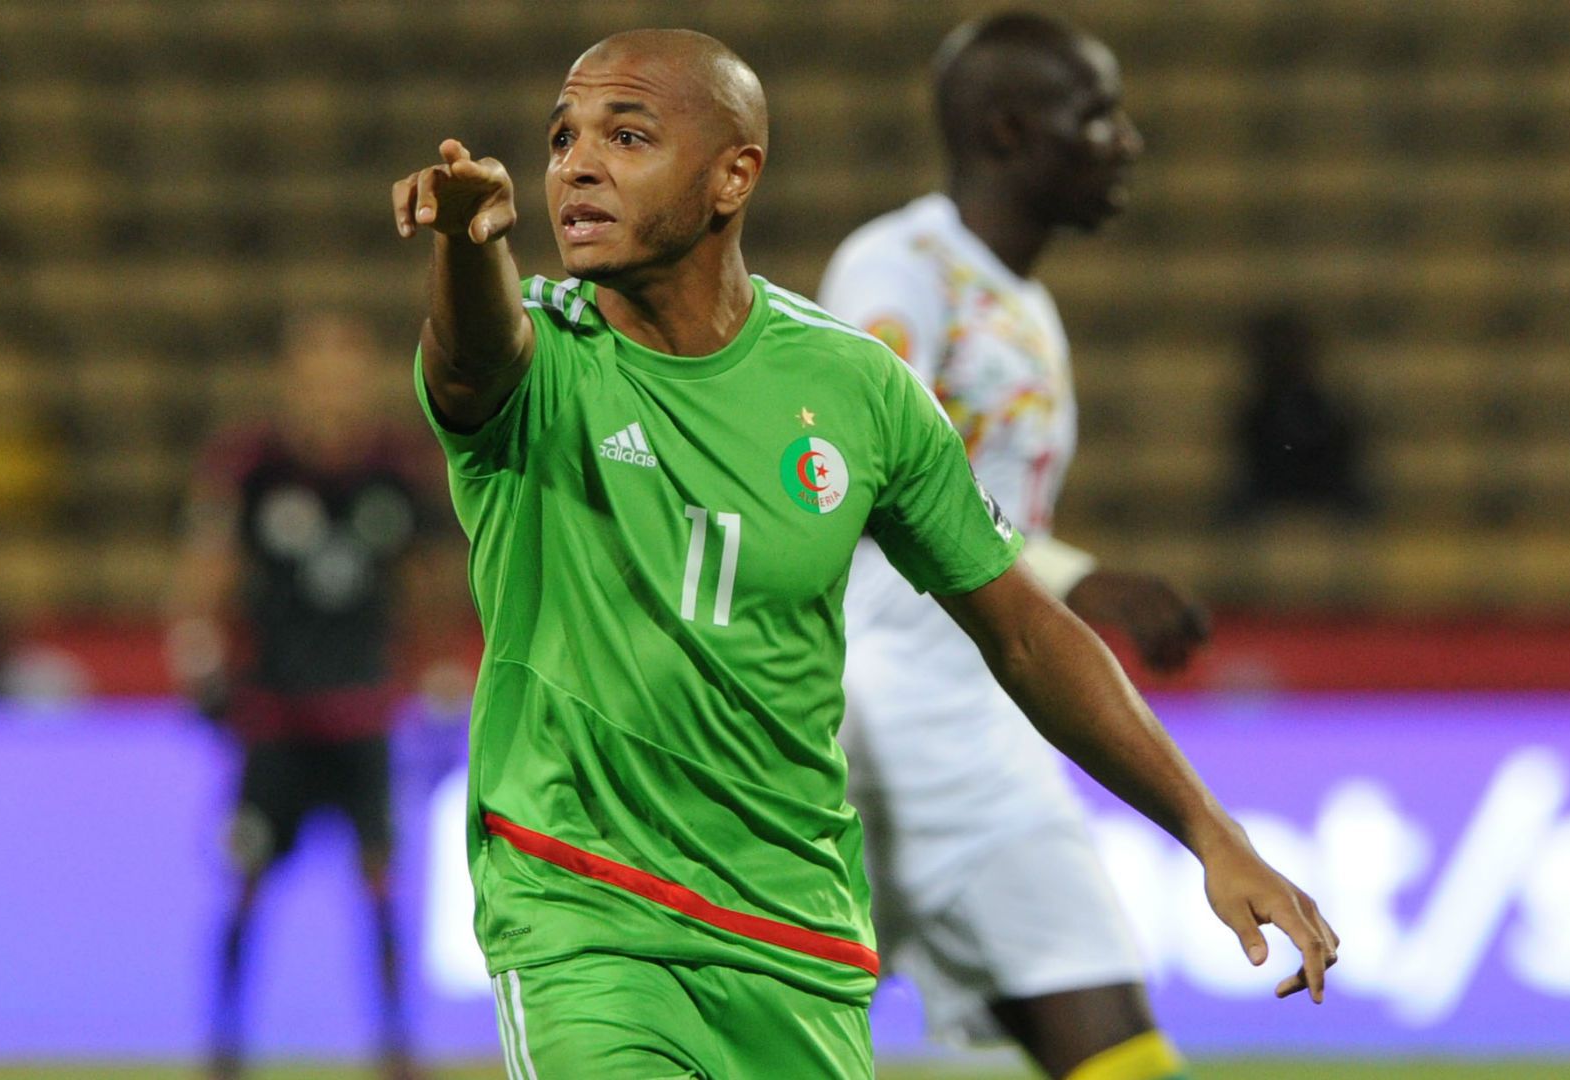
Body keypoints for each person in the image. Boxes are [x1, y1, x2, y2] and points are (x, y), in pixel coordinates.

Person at [392, 28, 1335, 1078]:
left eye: (627, 135)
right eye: (563, 136)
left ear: (732, 175)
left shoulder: (858, 389)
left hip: (797, 939)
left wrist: (1209, 830)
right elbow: (471, 360)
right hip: (586, 919)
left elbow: (1022, 630)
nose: (576, 162)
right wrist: (469, 246)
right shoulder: (543, 357)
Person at [820, 12, 1215, 1079]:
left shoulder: (1024, 303)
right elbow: (869, 484)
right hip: (860, 722)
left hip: (982, 725)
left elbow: (987, 514)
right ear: (1006, 129)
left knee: (1117, 1045)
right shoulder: (898, 269)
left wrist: (1069, 577)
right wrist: (1080, 577)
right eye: (1094, 114)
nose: (1124, 139)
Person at [167, 313, 433, 1080]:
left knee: (381, 883)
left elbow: (422, 582)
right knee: (246, 882)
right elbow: (208, 568)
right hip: (275, 717)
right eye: (317, 372)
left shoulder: (394, 468)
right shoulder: (254, 466)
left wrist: (429, 676)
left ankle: (395, 1047)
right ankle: (223, 1047)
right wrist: (200, 660)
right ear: (292, 381)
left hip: (361, 714)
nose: (332, 390)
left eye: (346, 372)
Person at [1226, 307, 1373, 522]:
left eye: (1289, 349)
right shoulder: (1255, 412)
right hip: (1268, 489)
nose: (1283, 357)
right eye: (1275, 350)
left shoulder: (1327, 407)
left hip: (1324, 486)